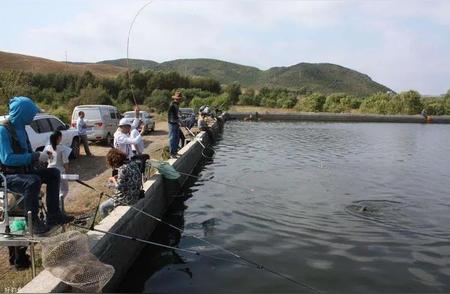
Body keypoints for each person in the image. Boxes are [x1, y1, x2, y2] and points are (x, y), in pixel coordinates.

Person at [0, 97, 74, 269]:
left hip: (25, 171)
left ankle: (54, 214)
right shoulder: (3, 131)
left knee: (54, 173)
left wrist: (40, 156)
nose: (33, 117)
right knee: (32, 181)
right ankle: (32, 222)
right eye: (31, 113)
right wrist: (34, 156)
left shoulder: (22, 128)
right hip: (8, 175)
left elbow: (26, 152)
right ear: (23, 113)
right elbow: (7, 158)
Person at [99, 149, 142, 218]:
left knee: (102, 207)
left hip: (127, 199)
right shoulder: (133, 163)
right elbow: (133, 177)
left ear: (114, 161)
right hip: (136, 195)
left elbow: (119, 187)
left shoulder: (122, 169)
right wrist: (118, 177)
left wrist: (113, 179)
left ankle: (110, 225)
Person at [44, 130, 72, 199]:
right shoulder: (62, 148)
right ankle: (59, 204)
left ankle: (53, 205)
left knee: (53, 190)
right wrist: (67, 171)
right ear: (59, 137)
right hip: (60, 171)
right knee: (64, 189)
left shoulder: (48, 147)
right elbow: (65, 162)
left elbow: (44, 160)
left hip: (49, 171)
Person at [168, 91, 182, 158]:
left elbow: (177, 114)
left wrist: (179, 120)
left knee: (177, 138)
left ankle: (175, 152)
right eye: (177, 98)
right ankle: (172, 154)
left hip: (176, 123)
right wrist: (178, 120)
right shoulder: (172, 105)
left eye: (179, 98)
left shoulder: (177, 104)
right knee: (172, 138)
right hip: (172, 123)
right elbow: (170, 115)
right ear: (175, 98)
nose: (178, 99)